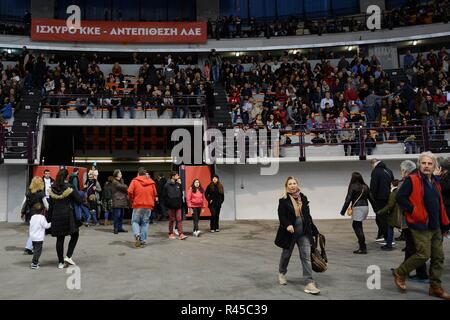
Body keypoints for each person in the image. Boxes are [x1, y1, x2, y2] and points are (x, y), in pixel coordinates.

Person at [393, 152, 450, 300]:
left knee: (438, 257)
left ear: (434, 166)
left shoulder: (435, 181)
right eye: (424, 163)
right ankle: (400, 272)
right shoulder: (412, 179)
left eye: (429, 164)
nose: (426, 166)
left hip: (436, 225)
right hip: (420, 224)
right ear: (419, 164)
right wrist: (414, 210)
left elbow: (439, 204)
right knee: (423, 255)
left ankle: (435, 287)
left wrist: (444, 225)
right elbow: (400, 197)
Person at [274, 176, 320, 295]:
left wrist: (314, 230)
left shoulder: (303, 198)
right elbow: (281, 216)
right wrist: (288, 224)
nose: (293, 185)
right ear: (286, 186)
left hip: (304, 232)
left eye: (294, 183)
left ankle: (309, 282)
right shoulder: (283, 200)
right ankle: (282, 273)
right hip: (289, 233)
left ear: (297, 185)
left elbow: (307, 216)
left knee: (306, 256)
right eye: (290, 184)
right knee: (286, 254)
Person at [397, 160, 428, 281]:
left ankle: (420, 274)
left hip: (411, 220)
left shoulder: (408, 181)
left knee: (413, 247)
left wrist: (413, 211)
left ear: (405, 171)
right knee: (411, 247)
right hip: (418, 218)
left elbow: (400, 199)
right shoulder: (421, 179)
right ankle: (405, 270)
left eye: (401, 170)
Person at [47, 169, 83, 269]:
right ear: (67, 177)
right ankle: (68, 256)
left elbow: (51, 206)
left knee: (60, 239)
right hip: (68, 215)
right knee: (75, 234)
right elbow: (79, 200)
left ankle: (60, 262)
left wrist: (48, 219)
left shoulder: (52, 188)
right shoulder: (69, 187)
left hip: (56, 216)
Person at [340, 172, 376, 254]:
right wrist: (375, 209)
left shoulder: (353, 186)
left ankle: (363, 247)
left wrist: (343, 210)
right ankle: (362, 246)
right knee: (358, 225)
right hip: (365, 207)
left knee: (356, 226)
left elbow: (348, 199)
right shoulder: (365, 186)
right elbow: (371, 198)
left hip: (358, 208)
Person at [128, 168, 157, 248]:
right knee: (145, 223)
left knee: (135, 221)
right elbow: (155, 194)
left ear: (138, 174)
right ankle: (143, 240)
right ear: (145, 174)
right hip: (148, 206)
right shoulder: (151, 182)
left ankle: (137, 234)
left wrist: (132, 199)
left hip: (138, 205)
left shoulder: (134, 181)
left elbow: (129, 191)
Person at [21, 177, 50, 255]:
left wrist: (22, 213)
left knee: (32, 230)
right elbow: (46, 205)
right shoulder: (41, 193)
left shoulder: (28, 192)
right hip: (39, 213)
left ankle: (31, 247)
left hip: (30, 214)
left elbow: (23, 203)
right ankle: (29, 248)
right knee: (37, 231)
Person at [370, 159, 394, 242]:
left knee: (381, 219)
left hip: (379, 199)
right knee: (386, 218)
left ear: (374, 164)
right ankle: (384, 236)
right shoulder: (389, 170)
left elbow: (373, 186)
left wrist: (372, 198)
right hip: (388, 197)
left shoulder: (375, 171)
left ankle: (388, 239)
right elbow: (392, 183)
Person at [377, 179, 402, 251]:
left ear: (392, 185)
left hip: (394, 214)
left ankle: (389, 245)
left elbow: (390, 205)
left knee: (390, 228)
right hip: (399, 213)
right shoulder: (399, 191)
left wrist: (381, 211)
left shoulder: (393, 193)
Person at [162, 172, 187, 240]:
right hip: (170, 206)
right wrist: (168, 204)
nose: (178, 176)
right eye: (177, 175)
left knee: (179, 219)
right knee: (171, 220)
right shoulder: (166, 185)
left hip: (178, 206)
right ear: (172, 176)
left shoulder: (179, 185)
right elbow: (164, 196)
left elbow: (181, 195)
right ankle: (170, 233)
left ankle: (181, 234)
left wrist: (181, 203)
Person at [111, 170, 129, 234]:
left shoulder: (121, 181)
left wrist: (124, 185)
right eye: (120, 173)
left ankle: (120, 228)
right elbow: (123, 187)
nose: (121, 174)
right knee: (117, 216)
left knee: (121, 215)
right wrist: (125, 186)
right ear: (117, 174)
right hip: (117, 201)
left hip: (122, 201)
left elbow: (124, 188)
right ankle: (115, 228)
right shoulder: (114, 182)